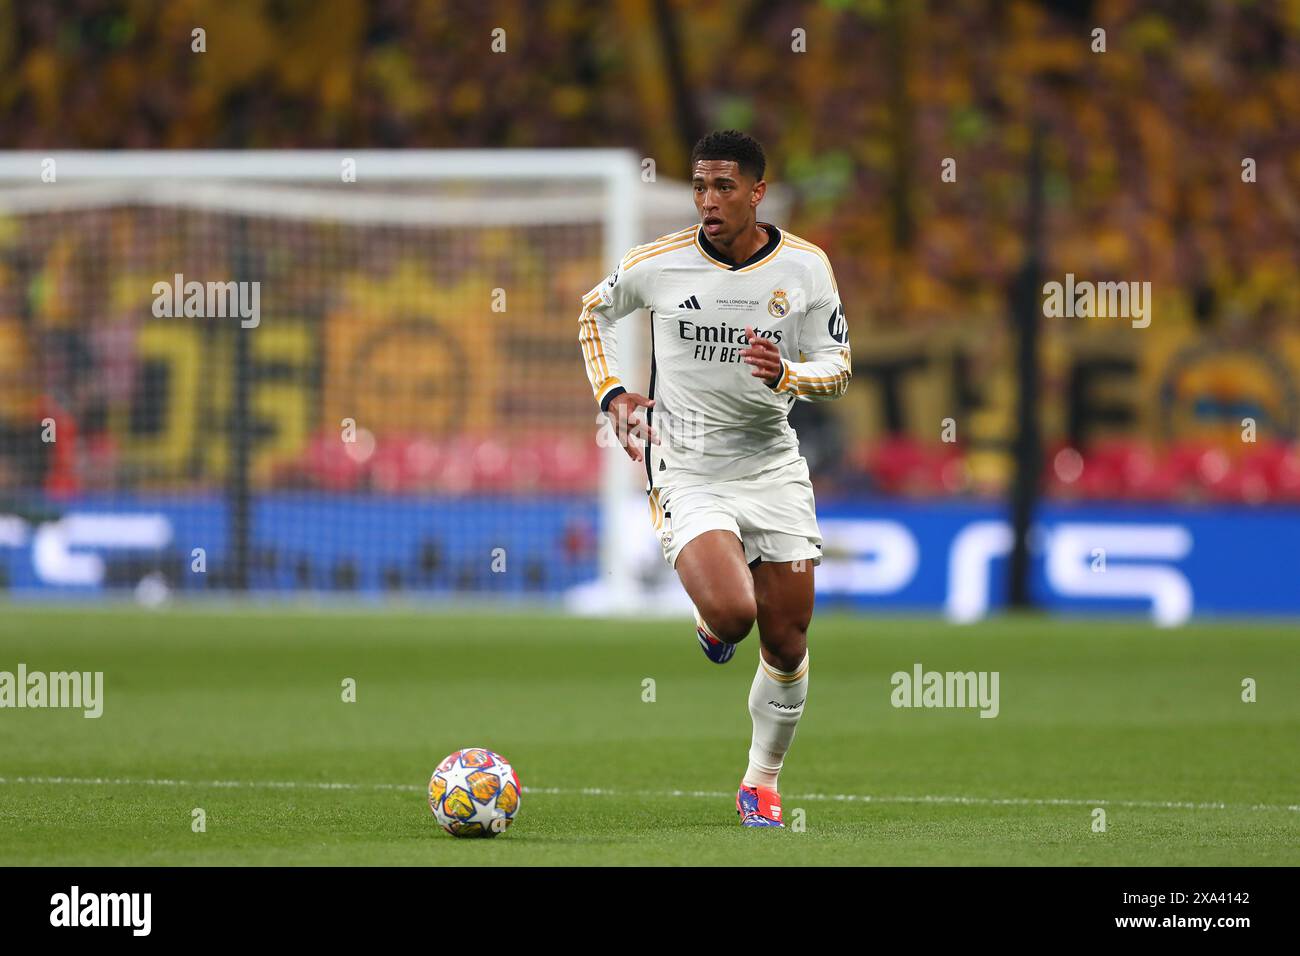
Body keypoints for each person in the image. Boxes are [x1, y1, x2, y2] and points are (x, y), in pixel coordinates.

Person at [577, 130, 852, 827]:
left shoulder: (805, 269)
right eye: (700, 186)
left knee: (787, 641)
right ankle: (713, 612)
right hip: (687, 458)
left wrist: (789, 374)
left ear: (758, 193)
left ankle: (761, 780)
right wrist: (614, 396)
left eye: (723, 186)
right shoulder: (658, 263)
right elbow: (593, 314)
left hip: (771, 463)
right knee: (735, 615)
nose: (707, 201)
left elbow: (840, 366)